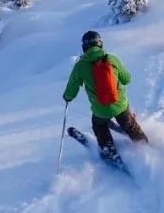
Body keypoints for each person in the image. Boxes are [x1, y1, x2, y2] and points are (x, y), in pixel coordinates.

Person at [63, 31, 148, 162]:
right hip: (120, 105)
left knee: (99, 126)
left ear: (84, 47)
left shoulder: (80, 66)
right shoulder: (112, 58)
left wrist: (67, 97)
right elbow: (127, 79)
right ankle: (144, 146)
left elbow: (72, 88)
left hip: (101, 109)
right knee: (129, 124)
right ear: (100, 44)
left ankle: (110, 151)